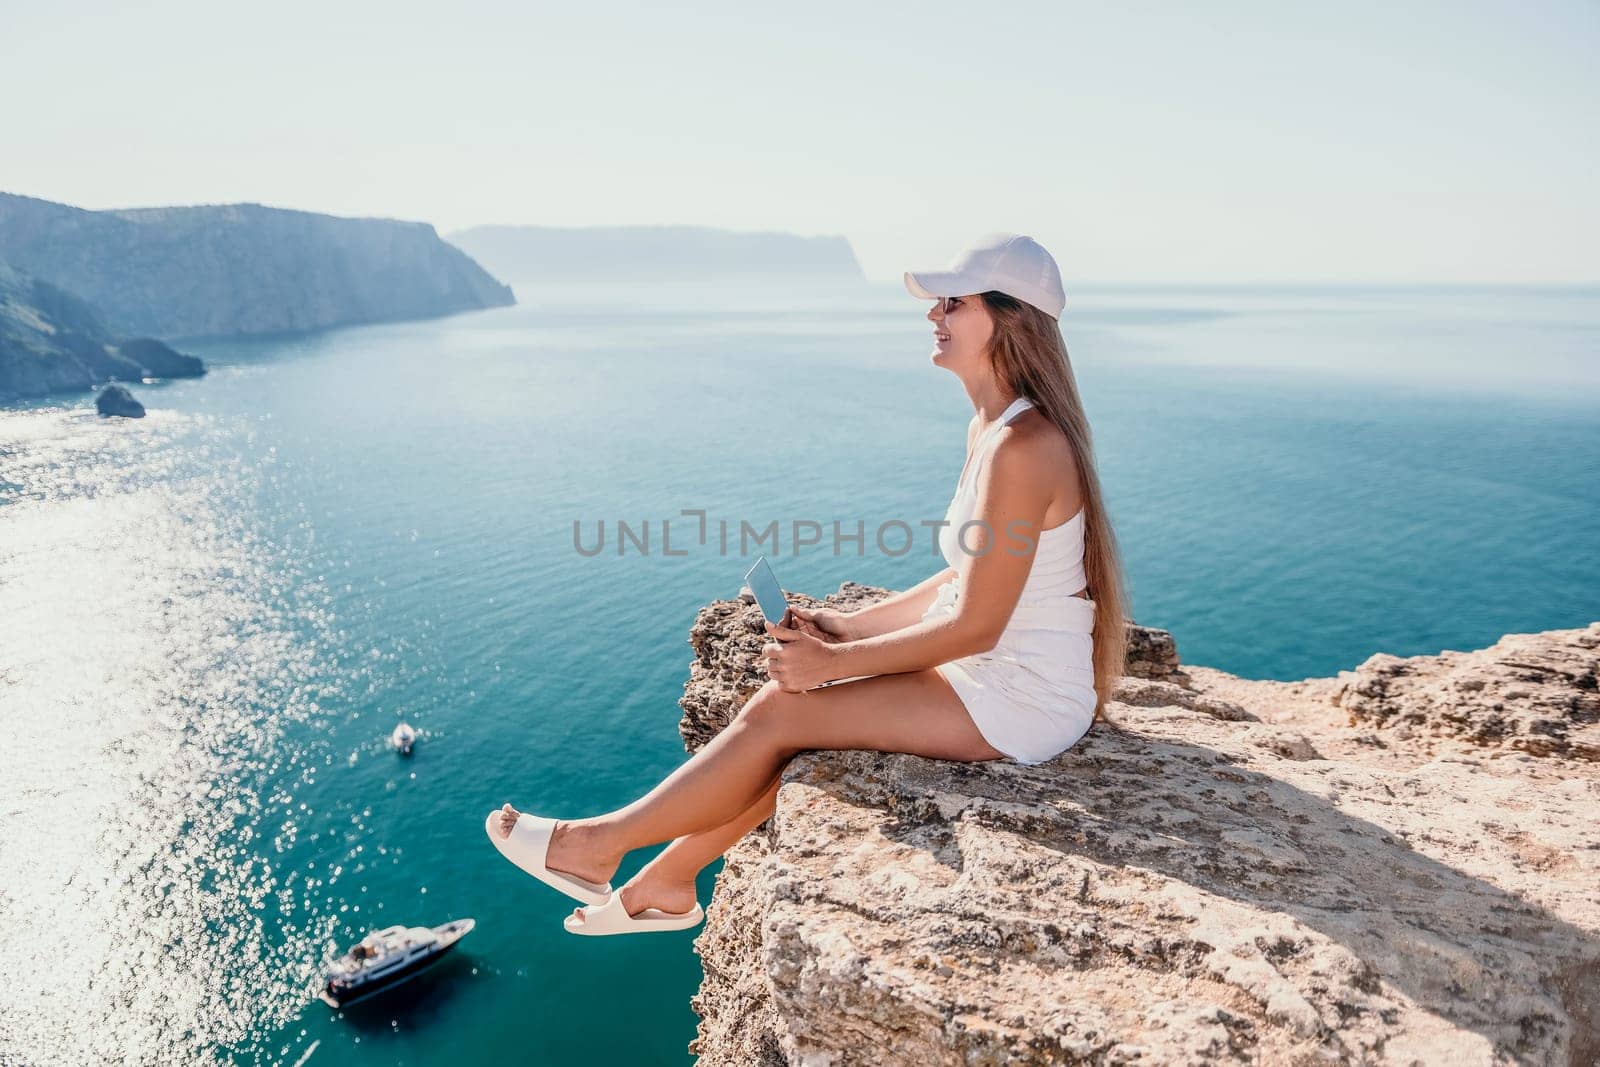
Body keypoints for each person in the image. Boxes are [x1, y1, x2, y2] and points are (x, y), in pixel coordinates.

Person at [489, 232, 1130, 935]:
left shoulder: (1023, 445)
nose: (932, 315)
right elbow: (963, 573)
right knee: (803, 719)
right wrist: (852, 628)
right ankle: (665, 882)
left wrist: (835, 662)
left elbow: (976, 623)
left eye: (954, 301)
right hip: (997, 674)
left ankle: (596, 845)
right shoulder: (995, 429)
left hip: (1023, 697)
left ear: (1009, 319)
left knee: (783, 710)